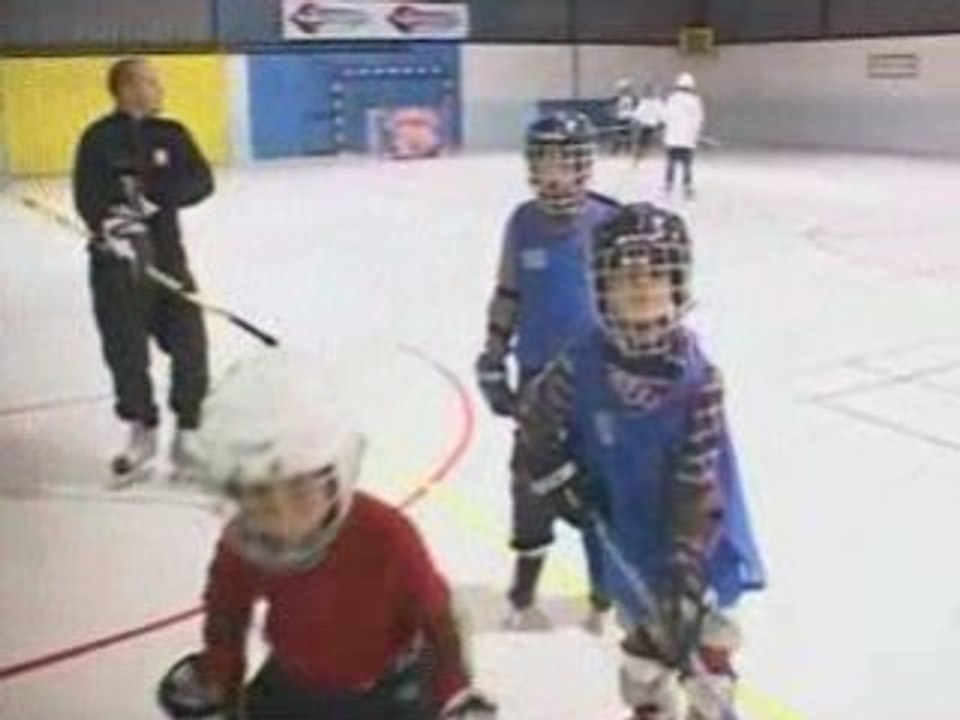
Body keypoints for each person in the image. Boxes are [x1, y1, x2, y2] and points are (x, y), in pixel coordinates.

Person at [514, 203, 766, 719]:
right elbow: (535, 424)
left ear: (677, 284)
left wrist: (686, 576)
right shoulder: (580, 364)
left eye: (655, 275)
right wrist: (560, 478)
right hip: (626, 527)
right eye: (626, 278)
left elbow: (698, 484)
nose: (642, 289)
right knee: (644, 657)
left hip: (701, 535)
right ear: (601, 289)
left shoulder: (699, 381)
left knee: (706, 645)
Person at [157, 352, 497, 720]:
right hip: (298, 683)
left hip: (390, 692)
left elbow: (437, 620)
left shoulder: (387, 537)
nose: (282, 516)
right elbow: (227, 608)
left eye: (298, 489)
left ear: (335, 476)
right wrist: (220, 669)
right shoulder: (244, 541)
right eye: (258, 494)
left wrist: (453, 690)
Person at [474, 113, 621, 632]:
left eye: (566, 162)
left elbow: (628, 303)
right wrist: (493, 357)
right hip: (538, 379)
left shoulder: (609, 222)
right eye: (545, 163)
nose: (555, 174)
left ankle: (604, 593)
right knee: (531, 481)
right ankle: (524, 586)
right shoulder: (522, 222)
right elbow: (508, 293)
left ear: (584, 165)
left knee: (599, 485)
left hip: (597, 378)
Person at [72, 57, 214, 478]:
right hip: (117, 265)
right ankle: (142, 430)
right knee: (126, 352)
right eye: (149, 82)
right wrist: (108, 224)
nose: (158, 89)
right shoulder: (98, 138)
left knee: (190, 343)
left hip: (168, 259)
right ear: (126, 88)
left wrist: (157, 196)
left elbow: (202, 181)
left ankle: (188, 434)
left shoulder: (172, 134)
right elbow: (86, 193)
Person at [661, 73, 704, 198]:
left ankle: (668, 185)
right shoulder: (695, 101)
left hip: (672, 138)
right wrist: (696, 135)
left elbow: (665, 117)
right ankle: (687, 187)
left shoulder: (671, 99)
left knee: (671, 162)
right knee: (687, 164)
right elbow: (699, 120)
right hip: (688, 140)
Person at [632, 84, 665, 158]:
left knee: (644, 141)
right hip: (647, 125)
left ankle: (641, 153)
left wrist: (661, 122)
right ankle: (639, 154)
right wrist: (635, 119)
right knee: (642, 141)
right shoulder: (645, 101)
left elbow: (661, 114)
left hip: (652, 125)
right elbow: (639, 113)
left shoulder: (656, 102)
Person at [612, 78, 639, 155]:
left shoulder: (623, 97)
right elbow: (635, 106)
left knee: (625, 135)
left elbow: (635, 106)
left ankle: (621, 150)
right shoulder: (630, 97)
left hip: (625, 117)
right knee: (622, 135)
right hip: (624, 117)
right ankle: (618, 150)